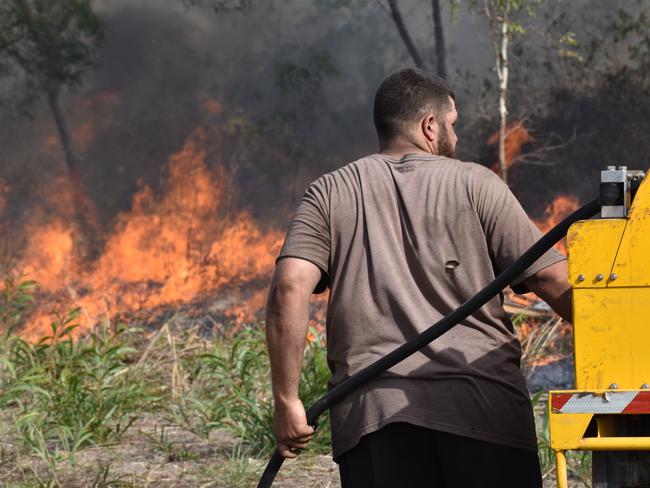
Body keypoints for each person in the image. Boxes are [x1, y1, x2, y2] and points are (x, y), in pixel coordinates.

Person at [265, 68, 571, 487]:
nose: (456, 138)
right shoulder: (477, 184)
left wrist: (287, 400)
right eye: (453, 125)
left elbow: (288, 287)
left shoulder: (329, 191)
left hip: (376, 419)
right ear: (430, 125)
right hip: (483, 409)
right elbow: (554, 282)